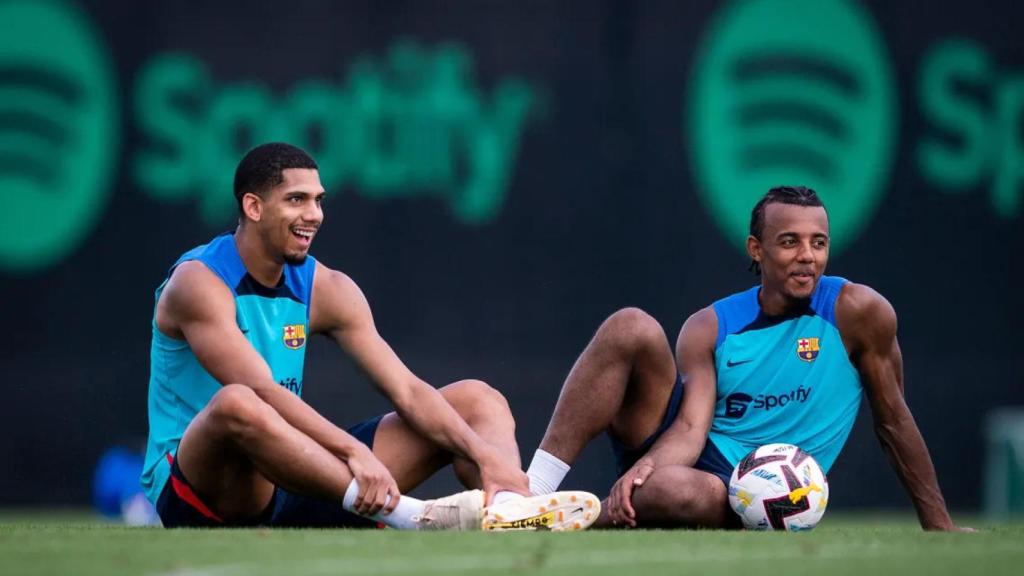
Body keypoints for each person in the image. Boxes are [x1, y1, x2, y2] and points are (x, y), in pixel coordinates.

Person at [140, 142, 599, 531]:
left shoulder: (328, 288)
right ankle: (412, 516)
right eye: (297, 200)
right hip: (203, 488)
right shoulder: (198, 283)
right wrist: (352, 451)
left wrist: (486, 457)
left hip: (302, 478)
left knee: (480, 400)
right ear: (253, 207)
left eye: (319, 200)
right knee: (237, 402)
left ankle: (510, 510)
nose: (314, 215)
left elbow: (407, 390)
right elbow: (260, 392)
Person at [525, 185, 964, 531]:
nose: (807, 256)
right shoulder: (711, 325)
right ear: (757, 248)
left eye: (819, 242)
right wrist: (645, 468)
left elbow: (894, 420)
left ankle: (583, 518)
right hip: (691, 449)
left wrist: (938, 524)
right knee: (630, 325)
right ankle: (532, 495)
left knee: (678, 492)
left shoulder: (860, 313)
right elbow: (693, 426)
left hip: (746, 490)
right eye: (790, 242)